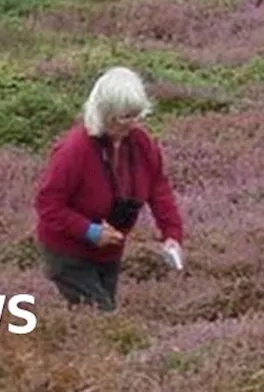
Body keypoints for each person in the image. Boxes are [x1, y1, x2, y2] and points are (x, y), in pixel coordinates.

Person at [34, 66, 184, 312]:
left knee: (100, 319)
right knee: (101, 316)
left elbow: (159, 189)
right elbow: (48, 205)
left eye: (134, 116)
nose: (129, 125)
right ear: (104, 113)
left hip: (110, 253)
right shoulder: (73, 151)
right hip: (68, 253)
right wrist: (90, 231)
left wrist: (172, 235)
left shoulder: (141, 143)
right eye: (122, 118)